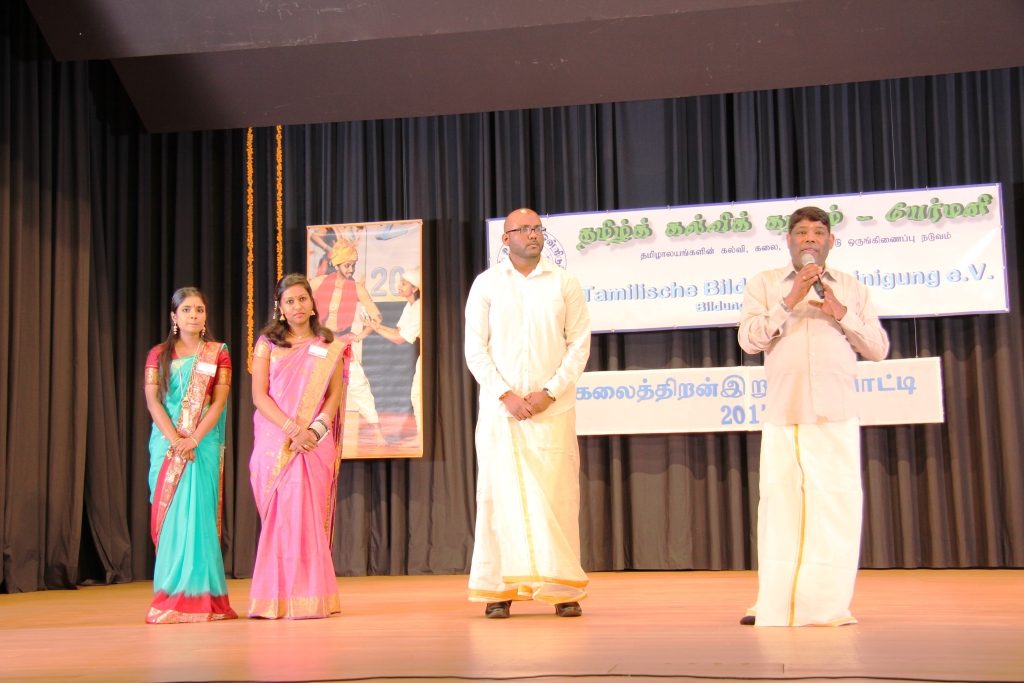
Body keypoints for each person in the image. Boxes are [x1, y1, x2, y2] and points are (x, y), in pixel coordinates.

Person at [737, 206, 890, 627]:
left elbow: (878, 348)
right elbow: (749, 341)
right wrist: (790, 300)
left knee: (837, 510)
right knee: (780, 511)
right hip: (785, 411)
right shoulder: (765, 284)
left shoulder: (851, 288)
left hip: (835, 413)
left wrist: (841, 312)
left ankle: (826, 606)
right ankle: (774, 603)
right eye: (801, 232)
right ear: (788, 241)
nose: (809, 239)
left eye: (818, 232)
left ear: (830, 242)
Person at [464, 207, 592, 619]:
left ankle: (561, 589)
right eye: (523, 229)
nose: (533, 235)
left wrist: (550, 392)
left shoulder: (564, 282)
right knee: (498, 498)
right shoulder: (487, 284)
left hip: (551, 411)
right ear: (506, 239)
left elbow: (579, 344)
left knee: (556, 497)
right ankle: (498, 590)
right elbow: (474, 349)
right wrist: (506, 395)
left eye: (537, 228)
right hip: (501, 413)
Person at [248, 273, 350, 619]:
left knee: (308, 519)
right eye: (289, 301)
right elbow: (259, 395)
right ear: (280, 307)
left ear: (312, 303)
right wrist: (292, 429)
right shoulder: (267, 344)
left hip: (313, 443)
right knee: (281, 519)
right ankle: (274, 599)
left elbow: (333, 395)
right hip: (276, 440)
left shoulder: (328, 344)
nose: (297, 306)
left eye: (302, 299)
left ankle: (311, 596)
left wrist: (314, 431)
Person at [143, 287, 237, 624]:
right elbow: (153, 401)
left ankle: (202, 598)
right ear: (174, 316)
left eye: (199, 309)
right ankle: (170, 597)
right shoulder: (158, 354)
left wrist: (194, 439)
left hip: (203, 445)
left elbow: (219, 402)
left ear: (205, 315)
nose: (194, 315)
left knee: (199, 520)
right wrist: (176, 440)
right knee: (172, 520)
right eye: (186, 310)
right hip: (167, 445)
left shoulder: (218, 353)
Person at [311, 238, 388, 446]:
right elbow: (298, 299)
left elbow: (376, 316)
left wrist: (361, 334)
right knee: (314, 387)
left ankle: (377, 432)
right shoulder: (318, 283)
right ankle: (314, 435)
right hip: (320, 343)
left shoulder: (357, 289)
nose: (351, 269)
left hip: (343, 342)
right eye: (347, 265)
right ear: (337, 264)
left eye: (353, 265)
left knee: (359, 384)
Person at [364, 267, 423, 443]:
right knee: (416, 395)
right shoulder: (410, 306)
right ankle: (421, 436)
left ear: (414, 288)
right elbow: (398, 331)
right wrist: (375, 326)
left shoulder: (419, 307)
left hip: (429, 358)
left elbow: (399, 339)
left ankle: (422, 436)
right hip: (422, 357)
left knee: (418, 395)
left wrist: (376, 328)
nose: (399, 286)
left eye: (404, 283)